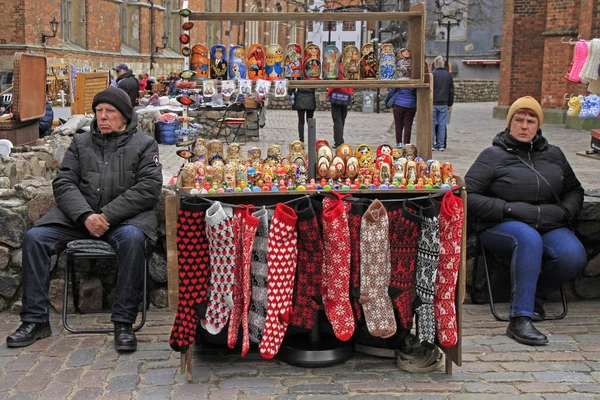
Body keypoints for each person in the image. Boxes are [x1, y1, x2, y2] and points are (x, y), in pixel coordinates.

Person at [6, 87, 163, 352]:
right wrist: (86, 215)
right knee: (35, 238)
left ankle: (123, 324)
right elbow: (64, 182)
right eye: (98, 111)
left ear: (124, 116)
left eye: (110, 111)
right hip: (78, 219)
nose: (102, 116)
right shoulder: (81, 143)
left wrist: (107, 215)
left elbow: (149, 187)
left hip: (124, 220)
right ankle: (35, 321)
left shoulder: (144, 144)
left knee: (134, 239)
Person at [465, 96, 586, 346]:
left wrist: (565, 213)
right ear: (509, 123)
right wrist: (507, 208)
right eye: (518, 120)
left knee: (573, 254)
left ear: (538, 125)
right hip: (501, 226)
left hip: (549, 224)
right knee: (527, 238)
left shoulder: (554, 155)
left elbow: (574, 190)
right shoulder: (492, 156)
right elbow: (468, 195)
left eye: (531, 121)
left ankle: (533, 298)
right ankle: (520, 319)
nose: (524, 126)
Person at [431, 55, 454, 151]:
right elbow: (451, 91)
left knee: (432, 124)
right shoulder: (448, 75)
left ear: (435, 64)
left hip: (433, 103)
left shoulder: (432, 75)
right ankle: (441, 145)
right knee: (442, 124)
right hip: (444, 103)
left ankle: (431, 144)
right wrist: (450, 104)